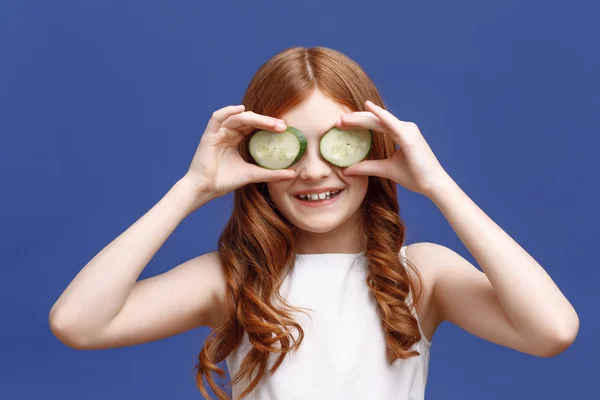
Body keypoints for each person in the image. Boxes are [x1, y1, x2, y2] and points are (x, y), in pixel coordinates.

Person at [48, 46, 579, 400]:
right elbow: (77, 323)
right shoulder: (232, 278)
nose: (313, 170)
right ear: (255, 155)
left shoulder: (420, 275)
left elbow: (552, 331)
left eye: (336, 143)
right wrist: (191, 189)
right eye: (286, 147)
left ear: (376, 147)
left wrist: (439, 185)